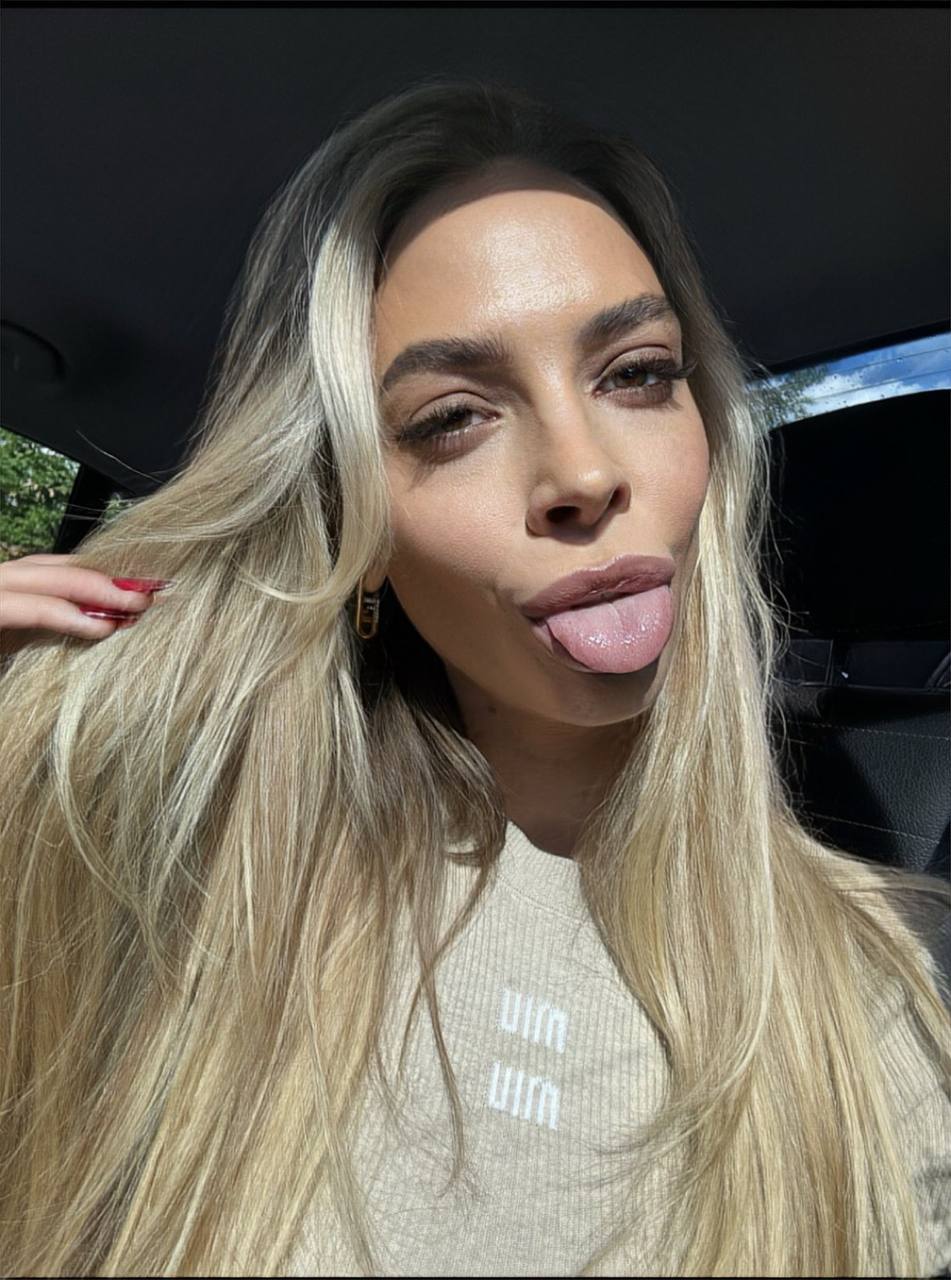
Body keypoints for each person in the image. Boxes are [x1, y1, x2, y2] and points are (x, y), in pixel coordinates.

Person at [1, 75, 949, 1278]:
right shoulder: (146, 842)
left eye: (636, 373)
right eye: (453, 415)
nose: (584, 472)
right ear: (354, 521)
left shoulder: (890, 992)